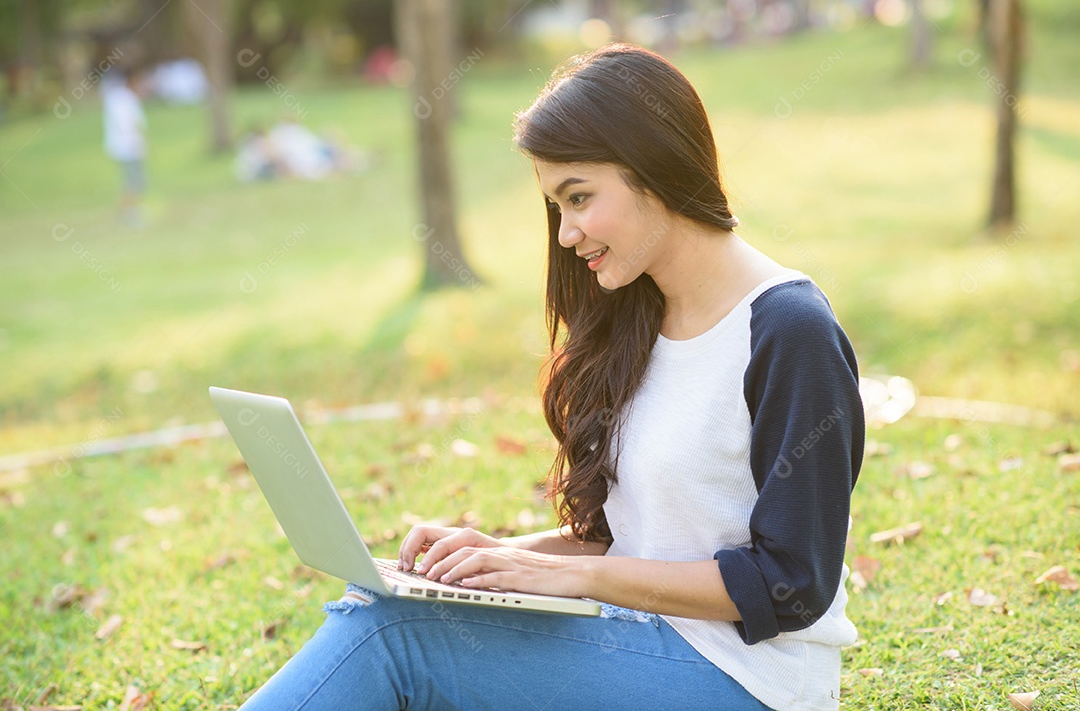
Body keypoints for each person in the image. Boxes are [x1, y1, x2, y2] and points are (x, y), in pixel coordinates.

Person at [238, 43, 864, 711]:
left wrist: (570, 577)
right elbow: (638, 536)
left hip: (746, 682)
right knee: (379, 600)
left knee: (394, 634)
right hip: (635, 642)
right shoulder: (638, 315)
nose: (566, 233)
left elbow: (792, 582)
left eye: (579, 197)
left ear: (652, 166)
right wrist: (496, 558)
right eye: (556, 207)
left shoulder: (788, 329)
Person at [102, 67, 148, 226]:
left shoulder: (117, 99)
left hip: (123, 146)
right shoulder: (125, 100)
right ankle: (130, 213)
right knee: (133, 181)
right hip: (129, 147)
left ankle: (128, 211)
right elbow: (129, 124)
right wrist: (137, 144)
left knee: (133, 181)